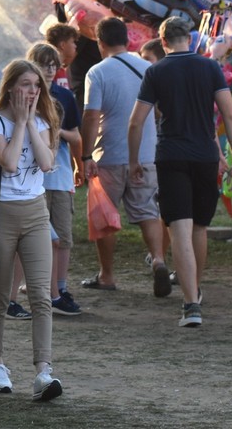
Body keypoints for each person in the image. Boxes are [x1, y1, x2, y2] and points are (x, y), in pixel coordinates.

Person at [131, 17, 232, 328]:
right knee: (199, 229)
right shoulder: (209, 67)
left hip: (171, 156)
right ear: (191, 40)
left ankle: (191, 303)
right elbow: (230, 116)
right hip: (206, 156)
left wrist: (133, 161)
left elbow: (136, 122)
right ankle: (196, 288)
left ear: (163, 42)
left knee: (178, 229)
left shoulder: (155, 71)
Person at [0, 59, 63, 402]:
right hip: (0, 212)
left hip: (34, 211)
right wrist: (19, 124)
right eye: (26, 84)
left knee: (42, 294)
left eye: (36, 86)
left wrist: (30, 124)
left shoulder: (42, 120)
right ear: (11, 86)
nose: (32, 91)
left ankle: (43, 371)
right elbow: (11, 162)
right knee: (1, 295)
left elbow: (46, 164)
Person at [79, 16, 168, 294]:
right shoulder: (149, 68)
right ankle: (158, 260)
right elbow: (158, 111)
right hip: (145, 154)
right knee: (147, 212)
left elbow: (92, 116)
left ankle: (107, 275)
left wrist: (84, 156)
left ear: (100, 42)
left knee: (104, 215)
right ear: (128, 39)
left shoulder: (97, 72)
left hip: (109, 154)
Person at [27, 41, 82, 317]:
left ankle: (59, 287)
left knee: (61, 236)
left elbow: (76, 136)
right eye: (43, 64)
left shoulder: (64, 97)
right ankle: (47, 290)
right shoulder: (25, 96)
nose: (49, 70)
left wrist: (77, 163)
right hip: (32, 179)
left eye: (53, 65)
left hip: (58, 176)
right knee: (39, 238)